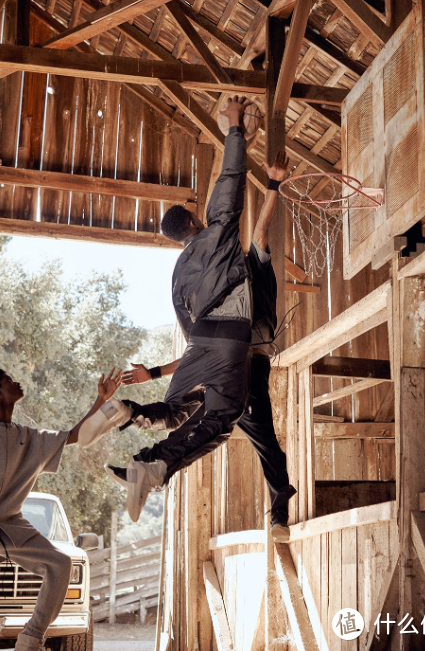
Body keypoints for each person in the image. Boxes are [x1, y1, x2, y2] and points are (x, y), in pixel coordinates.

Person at [78, 96, 255, 522]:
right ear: (194, 222)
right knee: (220, 418)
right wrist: (235, 127)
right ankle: (152, 463)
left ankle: (128, 412)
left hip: (206, 343)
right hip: (228, 337)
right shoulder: (216, 234)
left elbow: (194, 341)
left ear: (179, 238)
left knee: (176, 414)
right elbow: (231, 180)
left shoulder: (177, 277)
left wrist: (155, 374)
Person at [109, 151, 297, 541]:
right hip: (245, 365)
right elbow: (260, 233)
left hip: (225, 360)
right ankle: (279, 512)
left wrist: (157, 372)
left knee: (186, 414)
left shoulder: (200, 281)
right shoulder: (243, 272)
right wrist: (273, 187)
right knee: (235, 433)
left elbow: (201, 346)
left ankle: (132, 420)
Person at [0, 367, 121, 651]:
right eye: (7, 380)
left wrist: (100, 400)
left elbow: (74, 435)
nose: (16, 381)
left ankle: (29, 641)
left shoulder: (28, 438)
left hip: (12, 524)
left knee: (61, 563)